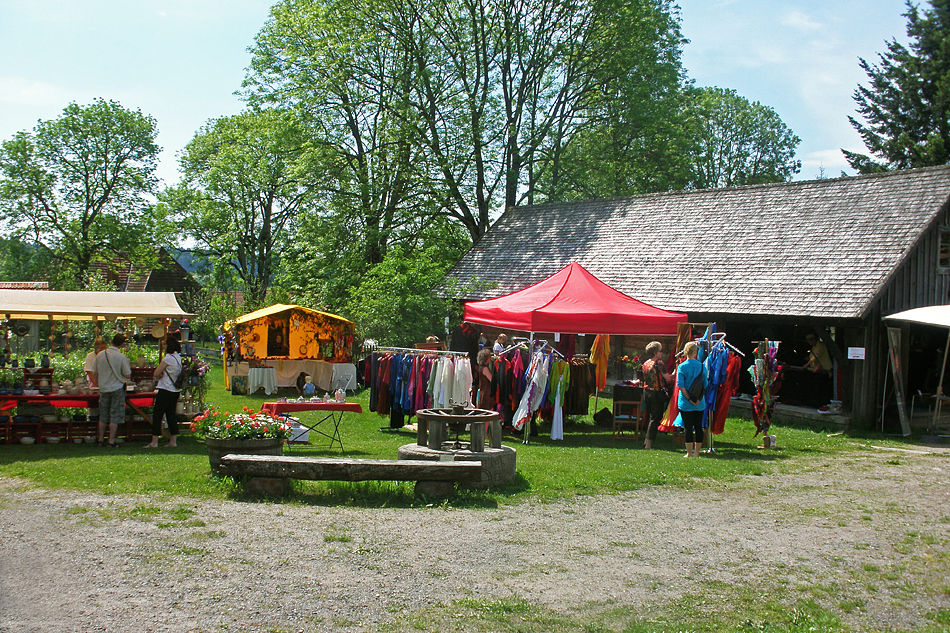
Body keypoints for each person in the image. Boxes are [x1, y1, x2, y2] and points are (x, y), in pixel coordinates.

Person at [94, 333, 132, 448]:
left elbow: (95, 372)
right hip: (116, 387)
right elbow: (127, 375)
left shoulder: (100, 355)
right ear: (121, 345)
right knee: (115, 415)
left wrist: (99, 384)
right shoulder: (121, 357)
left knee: (103, 414)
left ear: (111, 341)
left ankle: (100, 439)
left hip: (103, 388)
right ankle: (111, 440)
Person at [146, 337, 182, 449]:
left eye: (165, 344)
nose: (164, 346)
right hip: (175, 390)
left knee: (157, 415)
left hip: (165, 389)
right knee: (171, 415)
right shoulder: (178, 358)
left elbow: (156, 372)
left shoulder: (168, 358)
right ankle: (173, 440)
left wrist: (159, 374)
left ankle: (154, 441)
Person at [676, 341, 706, 458]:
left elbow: (681, 385)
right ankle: (697, 452)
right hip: (699, 402)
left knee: (688, 427)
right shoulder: (702, 366)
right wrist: (698, 398)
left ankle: (689, 453)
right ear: (695, 352)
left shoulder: (682, 367)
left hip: (685, 402)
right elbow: (705, 384)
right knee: (698, 426)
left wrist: (689, 399)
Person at [642, 341, 673, 450]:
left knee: (650, 416)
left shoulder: (646, 363)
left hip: (647, 392)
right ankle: (649, 443)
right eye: (660, 351)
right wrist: (675, 373)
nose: (661, 353)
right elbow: (668, 378)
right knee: (655, 418)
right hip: (656, 393)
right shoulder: (659, 363)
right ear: (655, 353)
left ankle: (646, 440)